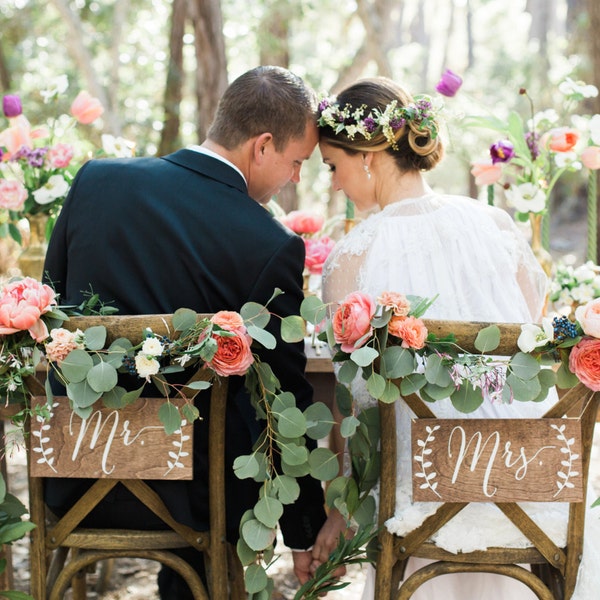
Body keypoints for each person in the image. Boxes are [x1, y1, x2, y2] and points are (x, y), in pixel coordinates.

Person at [42, 65, 328, 599]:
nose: (294, 179)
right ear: (261, 145)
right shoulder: (269, 244)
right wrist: (303, 528)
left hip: (76, 472)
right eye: (296, 163)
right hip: (200, 498)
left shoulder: (95, 181)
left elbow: (51, 313)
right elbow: (284, 397)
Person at [310, 77, 600, 599]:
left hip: (417, 504)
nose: (333, 183)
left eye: (333, 165)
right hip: (526, 487)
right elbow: (538, 344)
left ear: (370, 156)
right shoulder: (496, 225)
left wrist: (341, 509)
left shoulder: (353, 257)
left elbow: (357, 409)